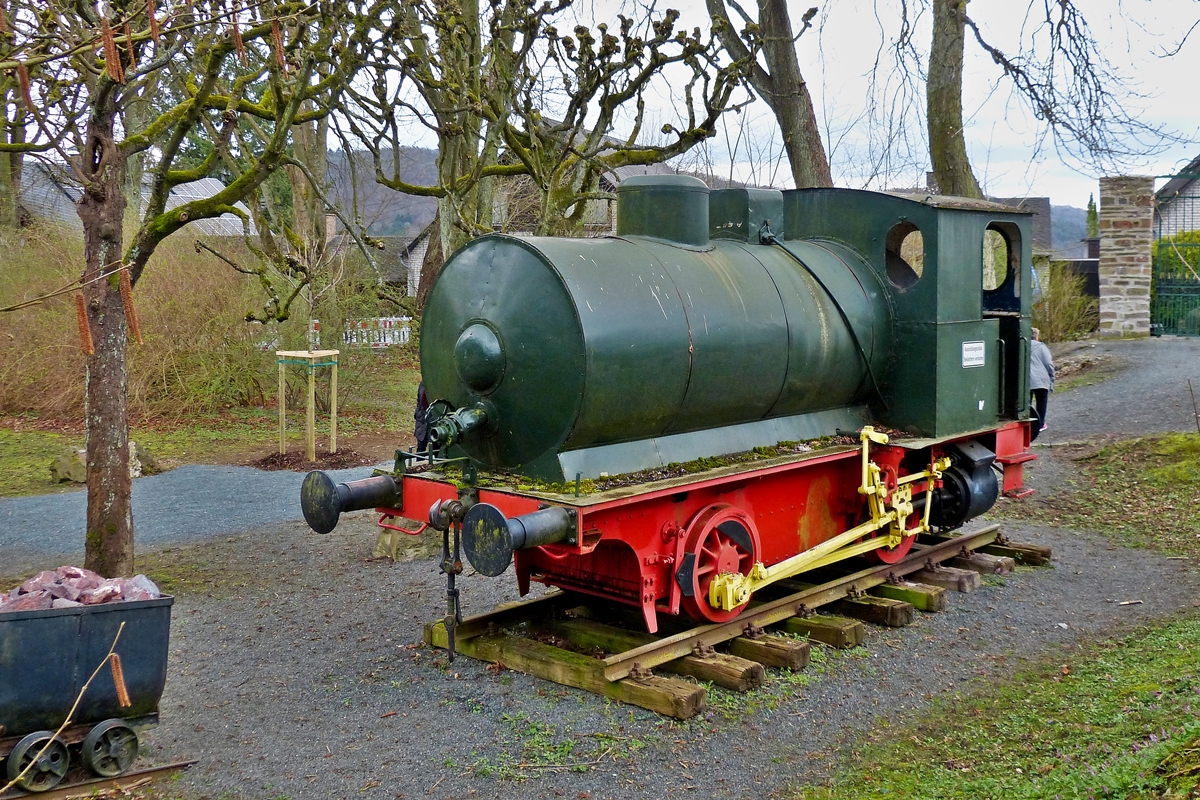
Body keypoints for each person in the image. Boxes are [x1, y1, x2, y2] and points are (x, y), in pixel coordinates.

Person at [1029, 328, 1055, 442]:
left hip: (1026, 380)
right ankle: (1040, 424)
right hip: (1041, 379)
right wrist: (1051, 377)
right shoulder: (1041, 347)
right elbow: (1049, 363)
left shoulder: (1022, 345)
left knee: (1027, 403)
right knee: (1041, 401)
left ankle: (1028, 422)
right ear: (1037, 336)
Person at [414, 380, 430, 456]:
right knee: (420, 448)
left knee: (436, 448)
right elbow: (418, 399)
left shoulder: (439, 384)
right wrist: (417, 412)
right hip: (422, 419)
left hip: (434, 420)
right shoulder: (423, 384)